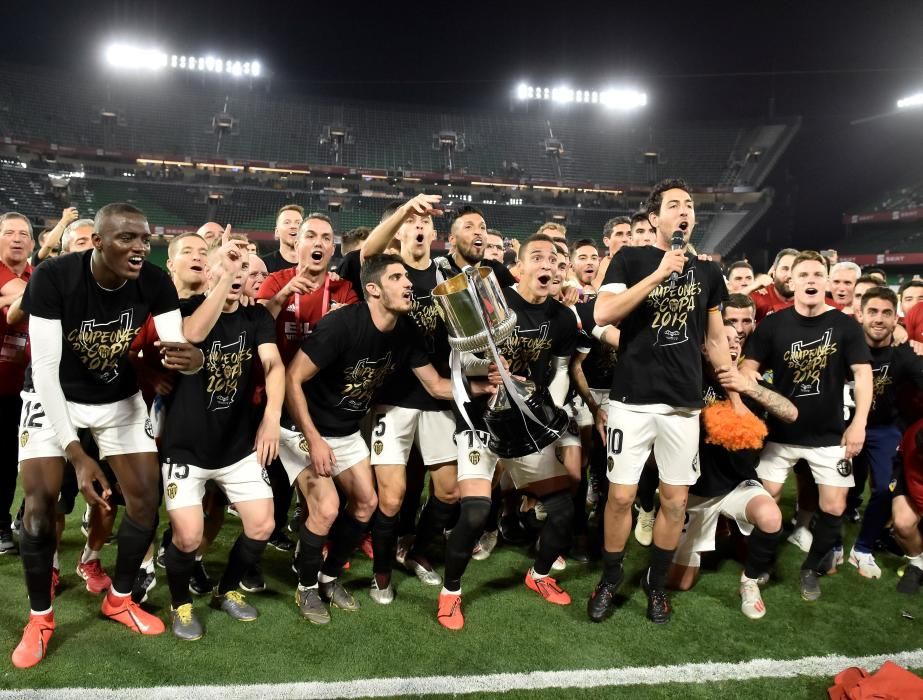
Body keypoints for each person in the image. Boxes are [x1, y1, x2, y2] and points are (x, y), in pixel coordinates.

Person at [12, 203, 202, 668]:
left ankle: (119, 598)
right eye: (126, 239)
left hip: (117, 400)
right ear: (96, 241)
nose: (140, 248)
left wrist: (191, 360)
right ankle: (40, 618)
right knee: (37, 511)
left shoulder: (155, 282)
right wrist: (76, 453)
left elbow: (177, 348)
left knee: (143, 503)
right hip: (52, 394)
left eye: (145, 239)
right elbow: (46, 370)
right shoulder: (54, 277)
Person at [284, 254, 490, 625]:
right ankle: (306, 585)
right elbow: (292, 378)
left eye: (408, 276)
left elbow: (435, 385)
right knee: (328, 507)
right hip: (301, 427)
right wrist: (313, 439)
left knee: (366, 504)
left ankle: (329, 577)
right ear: (374, 289)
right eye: (398, 277)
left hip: (344, 430)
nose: (409, 283)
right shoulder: (342, 325)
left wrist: (481, 386)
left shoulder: (406, 329)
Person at [589, 178, 732, 624]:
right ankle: (611, 578)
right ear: (655, 219)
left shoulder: (709, 272)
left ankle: (655, 583)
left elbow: (714, 339)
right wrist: (658, 274)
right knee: (620, 497)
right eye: (674, 204)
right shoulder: (629, 259)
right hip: (632, 400)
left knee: (674, 501)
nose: (685, 210)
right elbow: (603, 315)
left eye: (689, 204)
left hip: (684, 404)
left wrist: (733, 389)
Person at [438, 233, 581, 630]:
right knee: (474, 513)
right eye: (537, 257)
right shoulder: (492, 303)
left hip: (526, 424)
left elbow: (562, 369)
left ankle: (538, 575)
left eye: (553, 259)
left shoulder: (564, 317)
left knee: (563, 508)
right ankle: (450, 593)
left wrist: (540, 409)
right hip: (482, 423)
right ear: (517, 268)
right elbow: (461, 361)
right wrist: (487, 371)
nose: (547, 265)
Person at [161, 233, 283, 640]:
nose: (239, 272)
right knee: (189, 535)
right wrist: (223, 278)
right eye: (230, 264)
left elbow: (274, 365)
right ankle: (180, 605)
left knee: (262, 523)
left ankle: (227, 589)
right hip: (186, 447)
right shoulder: (183, 307)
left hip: (235, 445)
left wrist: (271, 418)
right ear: (209, 271)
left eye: (246, 267)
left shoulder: (256, 317)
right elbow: (193, 335)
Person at [741, 250, 872, 602]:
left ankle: (811, 568)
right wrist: (762, 392)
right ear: (792, 281)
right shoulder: (773, 324)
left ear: (826, 282)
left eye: (818, 274)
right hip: (781, 435)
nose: (811, 280)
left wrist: (858, 423)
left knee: (834, 507)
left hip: (829, 434)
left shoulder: (845, 326)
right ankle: (759, 564)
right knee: (763, 499)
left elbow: (862, 374)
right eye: (804, 275)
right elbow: (747, 369)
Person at [359, 195, 464, 602]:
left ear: (434, 234)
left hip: (436, 392)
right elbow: (368, 251)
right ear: (399, 230)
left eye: (425, 222)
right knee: (392, 494)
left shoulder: (446, 279)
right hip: (393, 397)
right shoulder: (389, 273)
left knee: (448, 490)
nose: (419, 226)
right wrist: (406, 208)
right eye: (411, 221)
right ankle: (381, 572)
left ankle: (417, 552)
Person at [668, 322, 797, 618]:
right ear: (705, 347)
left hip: (736, 485)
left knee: (771, 516)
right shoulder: (689, 377)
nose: (734, 344)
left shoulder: (748, 382)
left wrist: (750, 387)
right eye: (723, 339)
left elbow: (791, 413)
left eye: (737, 339)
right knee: (679, 583)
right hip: (694, 491)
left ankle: (749, 581)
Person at [842, 286, 923, 578]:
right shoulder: (844, 345)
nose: (879, 319)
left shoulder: (905, 354)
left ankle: (862, 548)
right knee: (837, 486)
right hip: (843, 426)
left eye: (886, 313)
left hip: (885, 428)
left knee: (884, 488)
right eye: (873, 311)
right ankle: (832, 541)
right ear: (860, 314)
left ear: (896, 318)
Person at [0, 212, 35, 554]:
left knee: (16, 460)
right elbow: (33, 294)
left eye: (23, 233)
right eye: (9, 232)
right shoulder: (30, 279)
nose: (16, 238)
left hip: (22, 389)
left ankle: (10, 522)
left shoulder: (34, 273)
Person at [891, 418, 923, 594]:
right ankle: (917, 564)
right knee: (903, 522)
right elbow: (920, 498)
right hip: (908, 469)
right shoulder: (915, 446)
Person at [748, 248, 799, 322]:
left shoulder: (814, 300)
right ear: (774, 273)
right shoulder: (757, 299)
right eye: (785, 269)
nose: (790, 275)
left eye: (794, 269)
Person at [261, 205, 305, 274]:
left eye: (298, 223)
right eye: (287, 222)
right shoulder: (263, 265)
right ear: (277, 232)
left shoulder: (315, 264)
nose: (293, 226)